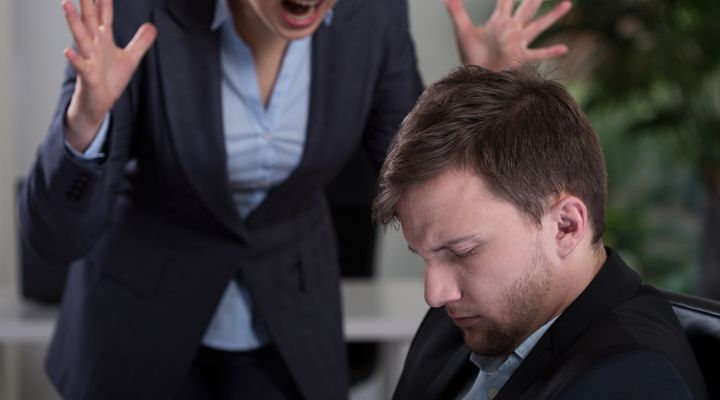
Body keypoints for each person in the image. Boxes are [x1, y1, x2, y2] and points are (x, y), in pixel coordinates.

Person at [19, 0, 570, 398]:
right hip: (141, 324)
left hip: (289, 321)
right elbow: (52, 235)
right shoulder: (133, 13)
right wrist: (86, 120)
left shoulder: (371, 16)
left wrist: (485, 90)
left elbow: (415, 177)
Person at [373, 66, 709, 400]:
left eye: (463, 252)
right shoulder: (455, 326)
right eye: (425, 256)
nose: (435, 294)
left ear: (566, 226)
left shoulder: (636, 380)